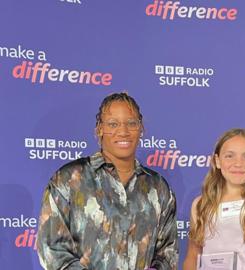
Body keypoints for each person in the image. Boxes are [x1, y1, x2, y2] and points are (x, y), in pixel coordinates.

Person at [37, 92, 178, 269]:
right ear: (100, 129)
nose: (123, 131)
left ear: (141, 129)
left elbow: (168, 253)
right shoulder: (68, 179)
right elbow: (52, 249)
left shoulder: (158, 188)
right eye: (113, 124)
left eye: (131, 123)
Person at [183, 128, 245, 270]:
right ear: (217, 161)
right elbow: (192, 257)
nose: (238, 163)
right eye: (229, 156)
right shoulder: (200, 205)